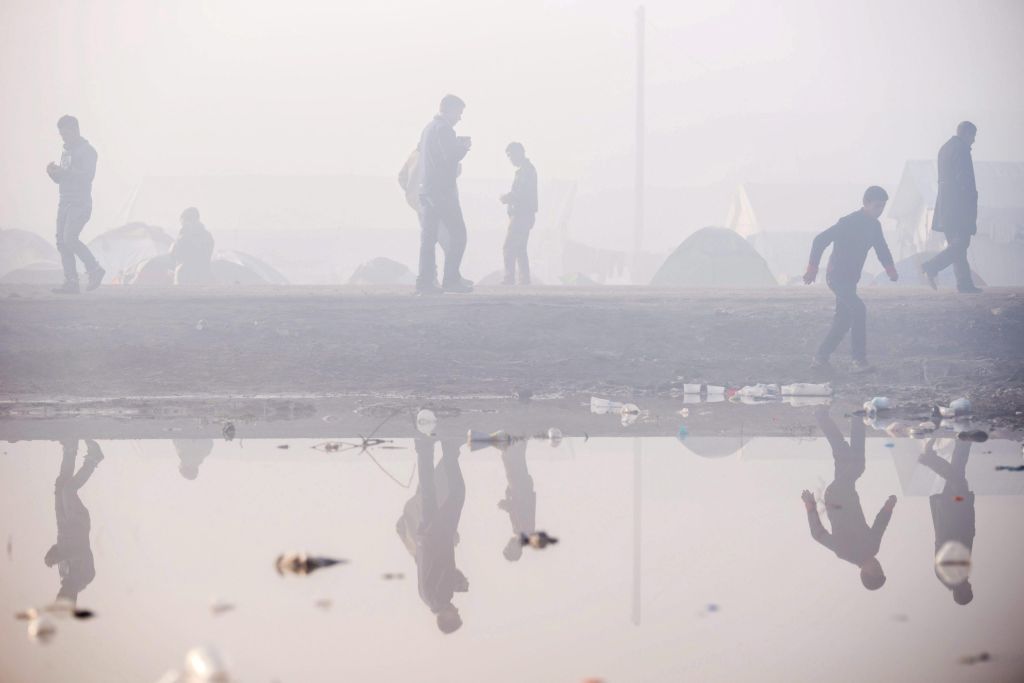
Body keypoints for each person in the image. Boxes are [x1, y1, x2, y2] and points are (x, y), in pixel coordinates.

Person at [804, 186, 898, 372]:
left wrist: (890, 269)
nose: (880, 211)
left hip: (851, 279)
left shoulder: (874, 226)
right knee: (858, 309)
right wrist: (812, 268)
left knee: (843, 320)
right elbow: (820, 240)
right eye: (877, 206)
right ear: (866, 204)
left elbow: (882, 249)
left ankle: (820, 358)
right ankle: (858, 361)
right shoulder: (848, 222)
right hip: (836, 277)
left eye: (882, 207)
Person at [801, 407, 896, 591]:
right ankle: (841, 417)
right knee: (844, 455)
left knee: (858, 465)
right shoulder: (873, 548)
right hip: (846, 495)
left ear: (864, 573)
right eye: (880, 568)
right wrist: (888, 507)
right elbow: (880, 525)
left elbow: (817, 534)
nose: (878, 565)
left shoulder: (845, 552)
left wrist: (810, 506)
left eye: (875, 570)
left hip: (837, 498)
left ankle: (852, 418)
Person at [396, 437, 468, 633]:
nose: (457, 610)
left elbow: (446, 569)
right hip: (426, 536)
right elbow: (429, 567)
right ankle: (425, 447)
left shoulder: (441, 598)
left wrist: (459, 583)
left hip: (437, 535)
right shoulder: (427, 598)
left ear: (447, 618)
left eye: (456, 615)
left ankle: (449, 448)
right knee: (429, 491)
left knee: (457, 493)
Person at [415, 95, 473, 295]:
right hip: (442, 192)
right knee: (459, 234)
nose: (460, 118)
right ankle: (451, 279)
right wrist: (463, 148)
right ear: (449, 110)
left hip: (426, 189)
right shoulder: (444, 129)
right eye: (459, 113)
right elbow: (450, 157)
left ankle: (425, 282)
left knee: (428, 238)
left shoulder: (428, 128)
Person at [46, 115, 104, 294]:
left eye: (66, 134)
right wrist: (53, 173)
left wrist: (64, 172)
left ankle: (94, 269)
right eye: (61, 135)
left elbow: (88, 176)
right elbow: (63, 178)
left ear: (75, 130)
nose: (64, 138)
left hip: (80, 202)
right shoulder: (66, 151)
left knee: (69, 238)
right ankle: (71, 281)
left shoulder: (88, 151)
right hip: (64, 200)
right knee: (61, 242)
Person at [921, 122, 982, 293]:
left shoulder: (945, 148)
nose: (974, 141)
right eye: (973, 136)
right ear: (967, 133)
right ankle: (932, 266)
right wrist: (971, 201)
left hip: (945, 205)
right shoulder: (961, 149)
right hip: (959, 206)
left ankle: (964, 284)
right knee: (961, 244)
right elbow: (964, 180)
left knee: (956, 246)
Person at [45, 439, 102, 605]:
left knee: (61, 486)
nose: (61, 591)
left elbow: (61, 548)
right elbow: (82, 552)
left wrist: (51, 555)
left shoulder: (64, 574)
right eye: (64, 595)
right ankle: (93, 459)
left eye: (59, 594)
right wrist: (60, 556)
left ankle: (70, 449)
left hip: (63, 524)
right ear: (73, 597)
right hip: (78, 524)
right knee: (68, 490)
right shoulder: (86, 577)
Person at [919, 438, 975, 605]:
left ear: (963, 592)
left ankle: (929, 458)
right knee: (958, 474)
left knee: (958, 480)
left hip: (954, 512)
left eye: (969, 590)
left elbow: (950, 543)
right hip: (956, 512)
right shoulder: (955, 576)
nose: (971, 586)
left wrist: (961, 513)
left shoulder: (951, 575)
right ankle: (963, 440)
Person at [500, 142, 538, 285]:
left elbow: (521, 193)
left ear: (519, 153)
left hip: (521, 214)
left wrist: (507, 198)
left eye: (511, 155)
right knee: (520, 248)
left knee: (509, 246)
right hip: (526, 214)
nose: (510, 159)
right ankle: (524, 279)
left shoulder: (525, 171)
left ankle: (509, 277)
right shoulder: (528, 169)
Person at [496, 439, 536, 561]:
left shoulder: (520, 532)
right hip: (521, 489)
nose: (508, 544)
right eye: (509, 548)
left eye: (506, 547)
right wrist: (506, 505)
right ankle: (519, 440)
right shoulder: (525, 532)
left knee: (514, 461)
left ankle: (519, 440)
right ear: (517, 550)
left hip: (520, 489)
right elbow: (521, 508)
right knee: (510, 460)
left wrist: (508, 497)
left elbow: (516, 509)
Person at [170, 207, 215, 285]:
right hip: (204, 275)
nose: (182, 225)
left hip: (185, 276)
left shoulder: (184, 237)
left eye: (183, 223)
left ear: (188, 221)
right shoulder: (207, 236)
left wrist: (180, 236)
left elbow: (173, 253)